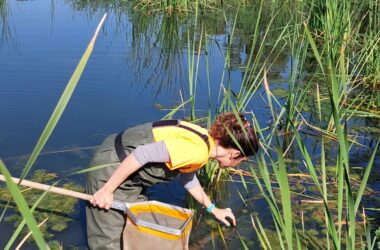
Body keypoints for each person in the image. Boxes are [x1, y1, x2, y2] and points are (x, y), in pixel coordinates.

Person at [86, 112, 259, 250]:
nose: (235, 164)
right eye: (240, 161)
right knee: (108, 244)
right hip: (111, 169)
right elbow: (141, 154)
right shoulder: (196, 151)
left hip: (127, 176)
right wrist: (106, 190)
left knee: (139, 230)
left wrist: (214, 209)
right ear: (235, 154)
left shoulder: (203, 141)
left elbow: (188, 179)